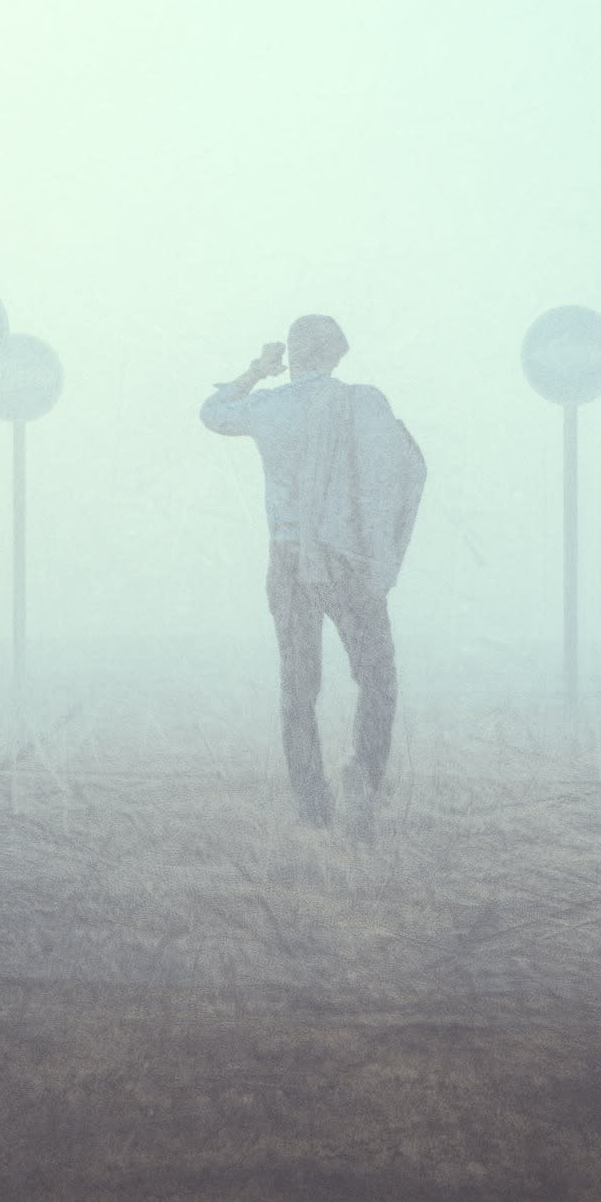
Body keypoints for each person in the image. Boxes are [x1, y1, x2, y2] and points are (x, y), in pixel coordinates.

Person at [200, 315, 425, 831]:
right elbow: (399, 472)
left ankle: (312, 807)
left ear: (293, 357)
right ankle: (363, 778)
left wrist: (257, 370)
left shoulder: (268, 407)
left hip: (288, 560)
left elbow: (212, 413)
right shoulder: (362, 404)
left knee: (298, 689)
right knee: (377, 678)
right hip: (348, 557)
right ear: (338, 353)